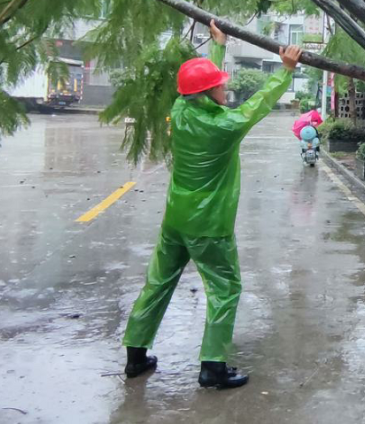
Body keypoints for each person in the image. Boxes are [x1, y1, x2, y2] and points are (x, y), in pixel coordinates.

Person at [122, 21, 302, 389]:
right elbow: (258, 105)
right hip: (209, 226)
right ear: (209, 92)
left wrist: (218, 47)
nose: (225, 86)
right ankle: (212, 367)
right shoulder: (226, 127)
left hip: (176, 219)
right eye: (220, 84)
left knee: (157, 283)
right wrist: (285, 72)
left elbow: (195, 82)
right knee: (225, 288)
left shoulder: (181, 108)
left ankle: (135, 356)